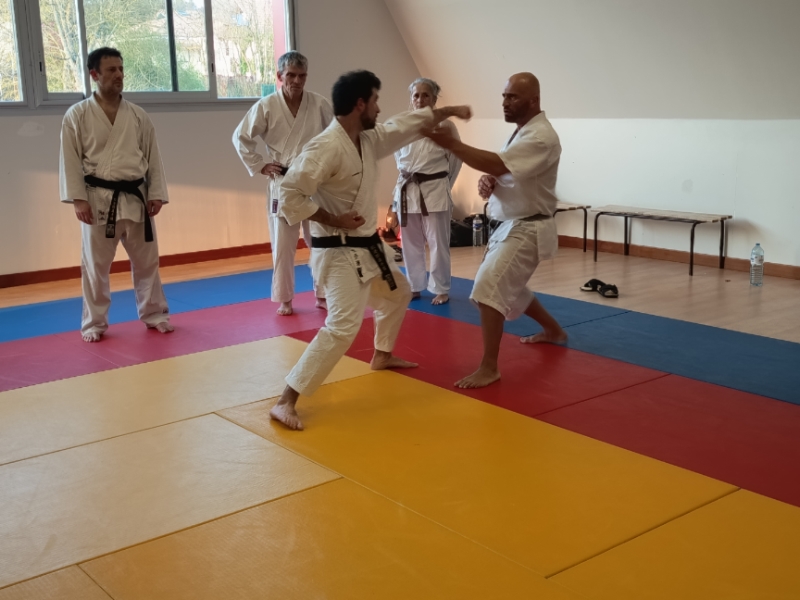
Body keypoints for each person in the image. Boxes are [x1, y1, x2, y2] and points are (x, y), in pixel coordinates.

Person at [269, 70, 471, 430]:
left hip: (367, 248)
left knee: (398, 294)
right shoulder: (325, 147)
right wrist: (333, 218)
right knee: (342, 326)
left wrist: (449, 111)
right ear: (360, 104)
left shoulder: (367, 139)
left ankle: (382, 354)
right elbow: (289, 195)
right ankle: (287, 400)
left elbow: (405, 124)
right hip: (337, 252)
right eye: (375, 101)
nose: (379, 108)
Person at [423, 72, 567, 389]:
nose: (505, 102)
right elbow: (506, 169)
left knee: (489, 289)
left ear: (534, 101)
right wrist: (491, 180)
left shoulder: (541, 137)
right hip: (511, 223)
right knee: (511, 288)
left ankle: (489, 367)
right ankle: (554, 330)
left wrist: (453, 144)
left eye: (512, 97)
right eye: (504, 96)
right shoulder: (521, 132)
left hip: (527, 227)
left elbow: (499, 163)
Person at [60, 47, 173, 343]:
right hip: (97, 200)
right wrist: (78, 199)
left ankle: (155, 314)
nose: (119, 75)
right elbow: (70, 160)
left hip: (136, 197)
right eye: (111, 70)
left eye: (121, 69)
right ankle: (94, 323)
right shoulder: (77, 115)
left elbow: (153, 157)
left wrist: (156, 193)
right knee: (95, 267)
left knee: (147, 262)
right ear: (94, 75)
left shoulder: (137, 115)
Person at [233, 51, 333, 316]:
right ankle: (284, 298)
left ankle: (323, 292)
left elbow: (336, 137)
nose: (296, 81)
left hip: (314, 181)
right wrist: (260, 165)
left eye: (302, 76)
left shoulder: (319, 104)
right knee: (283, 245)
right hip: (284, 182)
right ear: (279, 76)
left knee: (320, 240)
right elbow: (240, 137)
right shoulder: (266, 106)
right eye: (291, 75)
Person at [392, 78, 462, 305]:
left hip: (435, 190)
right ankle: (414, 286)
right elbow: (398, 159)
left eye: (425, 95)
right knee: (409, 242)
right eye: (416, 95)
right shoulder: (402, 124)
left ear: (434, 99)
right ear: (411, 99)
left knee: (438, 243)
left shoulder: (446, 126)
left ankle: (441, 288)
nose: (420, 100)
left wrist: (444, 184)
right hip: (407, 189)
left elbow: (456, 158)